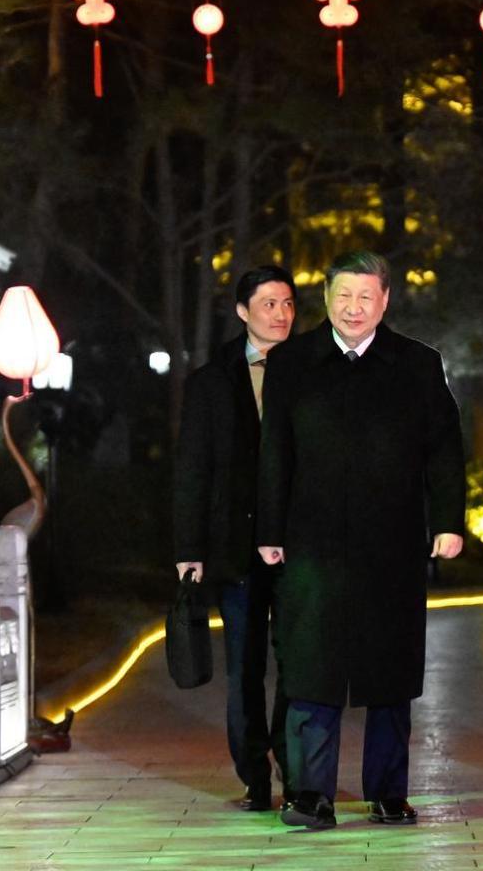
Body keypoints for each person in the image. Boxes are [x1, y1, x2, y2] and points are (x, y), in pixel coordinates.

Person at [256, 250, 465, 831]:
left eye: (366, 296)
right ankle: (310, 793)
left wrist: (449, 522)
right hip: (311, 540)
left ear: (385, 300)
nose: (354, 307)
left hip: (391, 542)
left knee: (390, 669)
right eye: (343, 295)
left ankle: (388, 793)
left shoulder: (418, 364)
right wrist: (269, 530)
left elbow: (444, 449)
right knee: (311, 665)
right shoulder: (291, 362)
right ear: (326, 297)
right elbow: (275, 451)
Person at [174, 266, 297, 812]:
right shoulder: (211, 382)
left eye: (288, 303)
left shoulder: (312, 370)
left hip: (297, 544)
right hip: (235, 545)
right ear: (244, 311)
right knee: (244, 666)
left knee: (298, 663)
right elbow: (192, 469)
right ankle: (254, 775)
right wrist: (189, 549)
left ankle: (295, 764)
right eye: (268, 304)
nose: (281, 314)